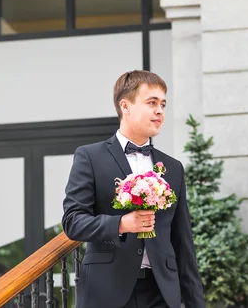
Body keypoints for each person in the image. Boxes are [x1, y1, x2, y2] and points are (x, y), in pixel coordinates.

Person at [62, 70, 205, 308]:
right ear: (125, 106)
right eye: (151, 103)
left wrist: (195, 303)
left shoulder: (173, 168)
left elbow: (183, 242)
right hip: (106, 290)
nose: (160, 111)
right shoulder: (89, 157)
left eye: (163, 104)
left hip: (161, 291)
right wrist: (121, 224)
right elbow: (72, 221)